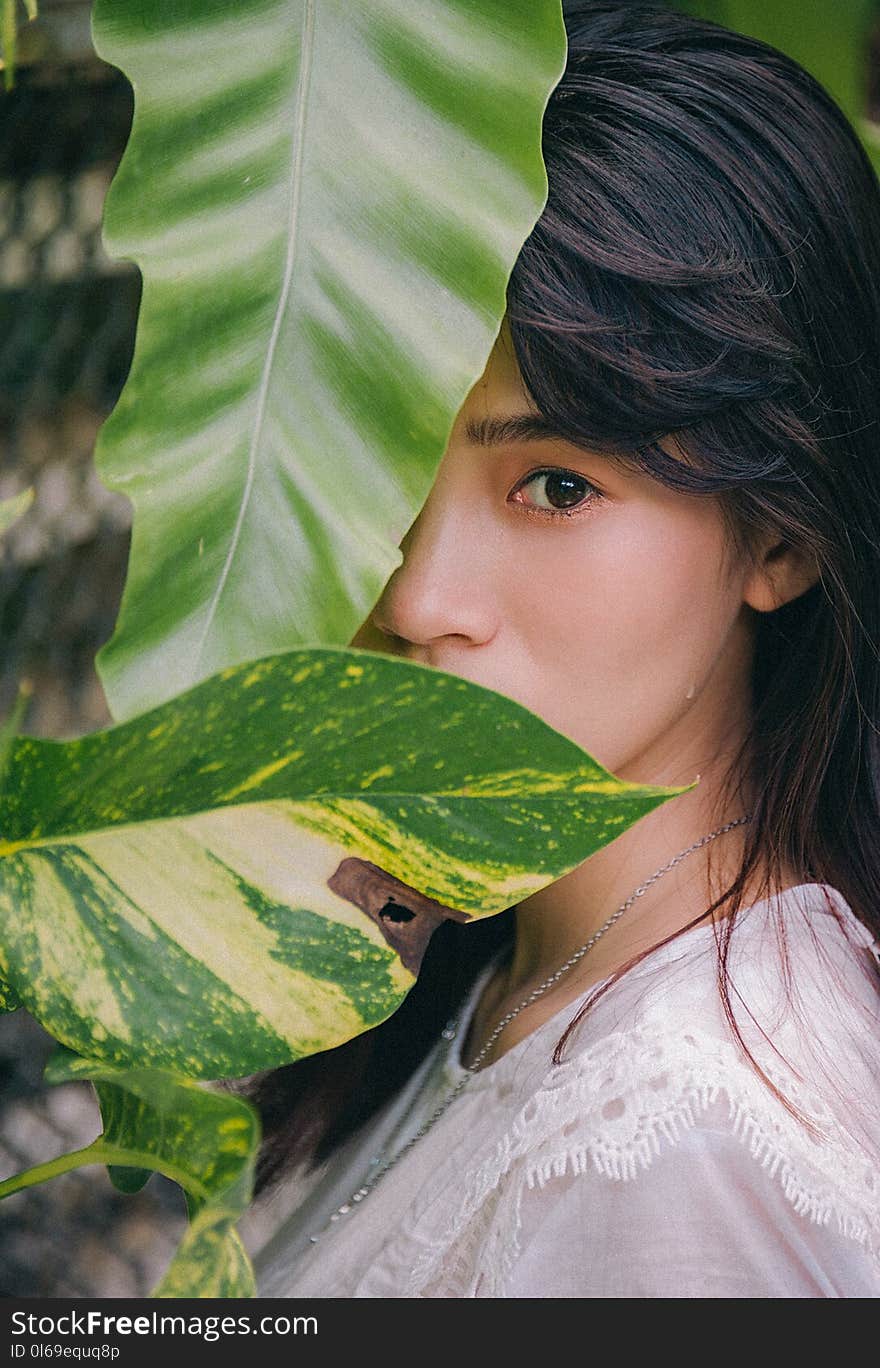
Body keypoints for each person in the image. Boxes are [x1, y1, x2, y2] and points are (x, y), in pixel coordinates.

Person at [241, 1, 880, 1296]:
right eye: (386, 467)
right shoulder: (498, 949)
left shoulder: (696, 1151)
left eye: (554, 487)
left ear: (782, 542)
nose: (419, 599)